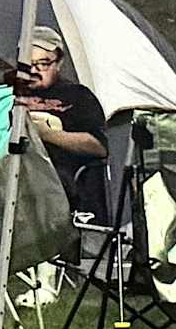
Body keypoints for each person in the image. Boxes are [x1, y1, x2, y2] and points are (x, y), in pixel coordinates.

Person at [7, 29, 111, 222]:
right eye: (28, 64)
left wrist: (48, 135)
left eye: (43, 64)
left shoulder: (78, 96)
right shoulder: (6, 92)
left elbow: (99, 147)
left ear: (59, 63)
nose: (34, 71)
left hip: (58, 179)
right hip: (8, 169)